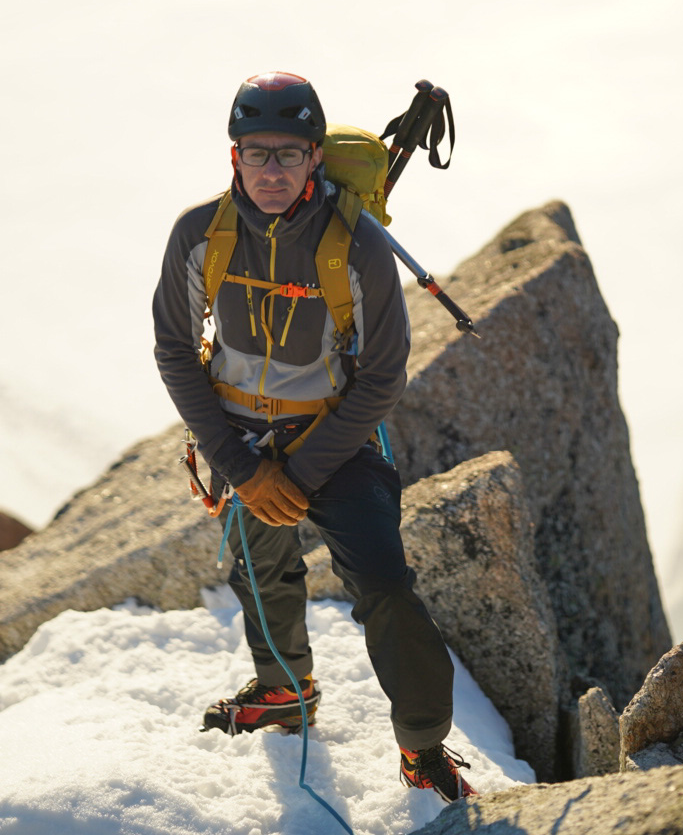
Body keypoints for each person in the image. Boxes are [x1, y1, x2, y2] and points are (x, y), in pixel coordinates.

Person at [151, 70, 476, 804]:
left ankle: (422, 745)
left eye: (288, 155)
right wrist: (242, 467)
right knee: (259, 573)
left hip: (331, 441)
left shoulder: (357, 245)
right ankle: (284, 691)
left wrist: (294, 478)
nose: (272, 170)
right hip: (240, 439)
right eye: (257, 153)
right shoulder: (198, 236)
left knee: (386, 587)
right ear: (233, 156)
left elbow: (384, 376)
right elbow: (175, 349)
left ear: (315, 160)